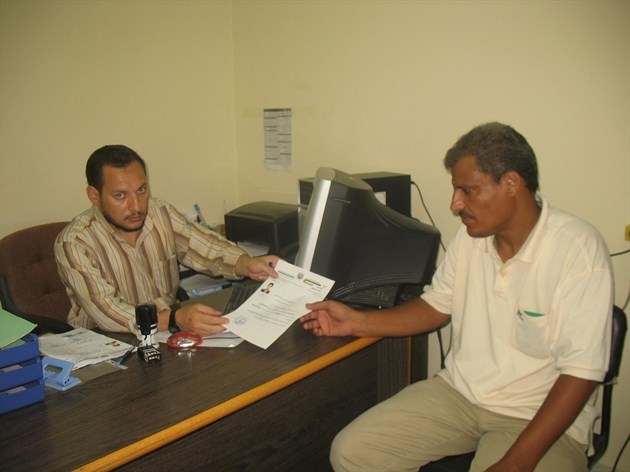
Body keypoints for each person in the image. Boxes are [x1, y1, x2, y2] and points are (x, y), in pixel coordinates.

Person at [300, 122, 613, 472]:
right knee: (352, 452)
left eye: (468, 190)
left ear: (511, 183)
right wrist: (357, 322)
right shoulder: (470, 238)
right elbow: (436, 306)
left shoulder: (577, 249)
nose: (455, 204)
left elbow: (581, 372)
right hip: (459, 395)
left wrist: (515, 463)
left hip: (536, 413)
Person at [55, 144, 279, 336]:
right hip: (105, 346)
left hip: (164, 335)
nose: (136, 206)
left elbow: (208, 248)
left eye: (141, 190)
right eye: (120, 196)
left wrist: (246, 263)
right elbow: (108, 313)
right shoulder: (74, 243)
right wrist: (173, 319)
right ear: (94, 196)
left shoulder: (160, 213)